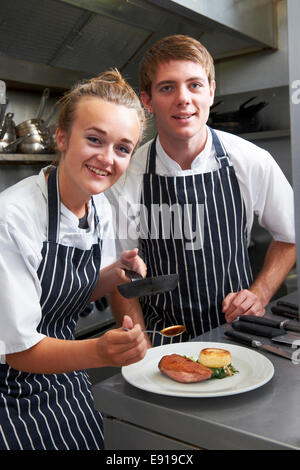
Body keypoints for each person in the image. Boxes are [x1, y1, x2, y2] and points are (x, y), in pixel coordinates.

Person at [106, 35, 296, 347]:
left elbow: (290, 237)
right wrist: (140, 345)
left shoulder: (250, 161)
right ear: (148, 101)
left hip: (238, 335)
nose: (183, 98)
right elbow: (120, 276)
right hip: (162, 340)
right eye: (167, 87)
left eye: (194, 85)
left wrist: (259, 293)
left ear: (211, 91)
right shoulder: (127, 177)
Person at [0, 70, 148, 450]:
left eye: (122, 148)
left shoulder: (99, 206)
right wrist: (100, 351)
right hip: (8, 390)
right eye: (95, 139)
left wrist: (113, 274)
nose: (106, 158)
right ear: (62, 138)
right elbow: (18, 350)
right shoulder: (12, 218)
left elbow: (63, 292)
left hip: (66, 376)